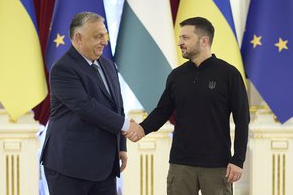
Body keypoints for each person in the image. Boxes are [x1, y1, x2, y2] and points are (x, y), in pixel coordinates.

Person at [125, 17, 250, 195]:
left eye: (185, 38)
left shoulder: (229, 74)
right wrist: (141, 129)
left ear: (204, 40)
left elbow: (242, 120)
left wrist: (238, 159)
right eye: (180, 37)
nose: (179, 42)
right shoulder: (177, 76)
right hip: (180, 164)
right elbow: (162, 111)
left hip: (217, 165)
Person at [40, 12, 143, 195]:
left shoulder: (109, 65)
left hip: (104, 165)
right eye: (98, 36)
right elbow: (86, 107)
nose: (105, 41)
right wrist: (127, 126)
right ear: (79, 38)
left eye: (105, 35)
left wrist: (121, 147)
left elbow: (116, 106)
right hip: (69, 167)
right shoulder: (63, 68)